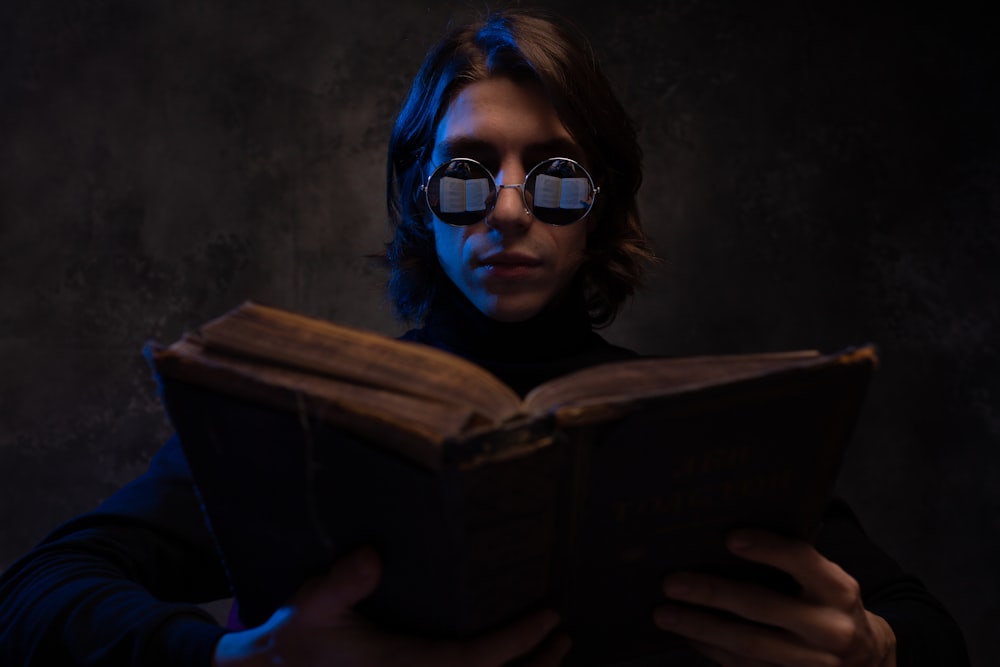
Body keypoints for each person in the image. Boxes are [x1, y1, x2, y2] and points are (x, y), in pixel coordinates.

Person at [0, 9, 970, 667]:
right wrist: (223, 658)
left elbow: (933, 629)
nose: (507, 211)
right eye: (467, 173)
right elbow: (35, 590)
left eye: (552, 176)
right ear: (423, 202)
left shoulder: (705, 424)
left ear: (598, 206)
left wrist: (870, 649)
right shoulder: (314, 420)